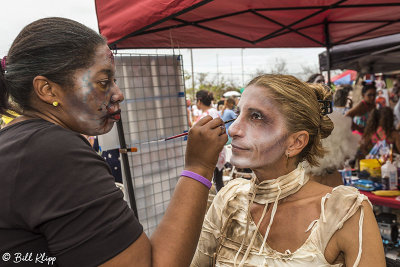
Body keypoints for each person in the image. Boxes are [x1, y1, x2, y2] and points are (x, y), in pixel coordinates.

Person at [0, 17, 228, 267]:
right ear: (47, 90)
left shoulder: (16, 140)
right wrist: (198, 167)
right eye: (103, 82)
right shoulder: (53, 152)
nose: (119, 94)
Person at [191, 74, 384, 266]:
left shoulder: (344, 211)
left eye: (256, 117)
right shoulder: (229, 199)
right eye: (237, 114)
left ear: (296, 142)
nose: (233, 130)